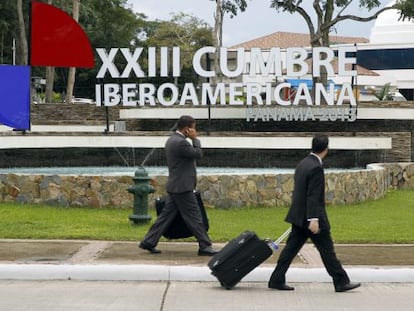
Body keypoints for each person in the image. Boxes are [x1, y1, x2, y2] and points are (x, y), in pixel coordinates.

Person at [268, 134, 361, 292]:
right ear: (326, 149)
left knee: (290, 250)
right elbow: (313, 195)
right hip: (312, 218)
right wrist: (313, 219)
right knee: (327, 251)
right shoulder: (316, 167)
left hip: (299, 217)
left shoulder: (303, 163)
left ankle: (276, 279)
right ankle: (341, 281)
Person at [139, 115, 218, 256]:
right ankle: (205, 246)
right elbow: (198, 154)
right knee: (195, 218)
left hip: (176, 186)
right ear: (187, 129)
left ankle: (148, 241)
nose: (195, 131)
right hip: (183, 188)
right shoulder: (181, 143)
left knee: (165, 217)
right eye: (193, 128)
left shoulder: (172, 140)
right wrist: (195, 139)